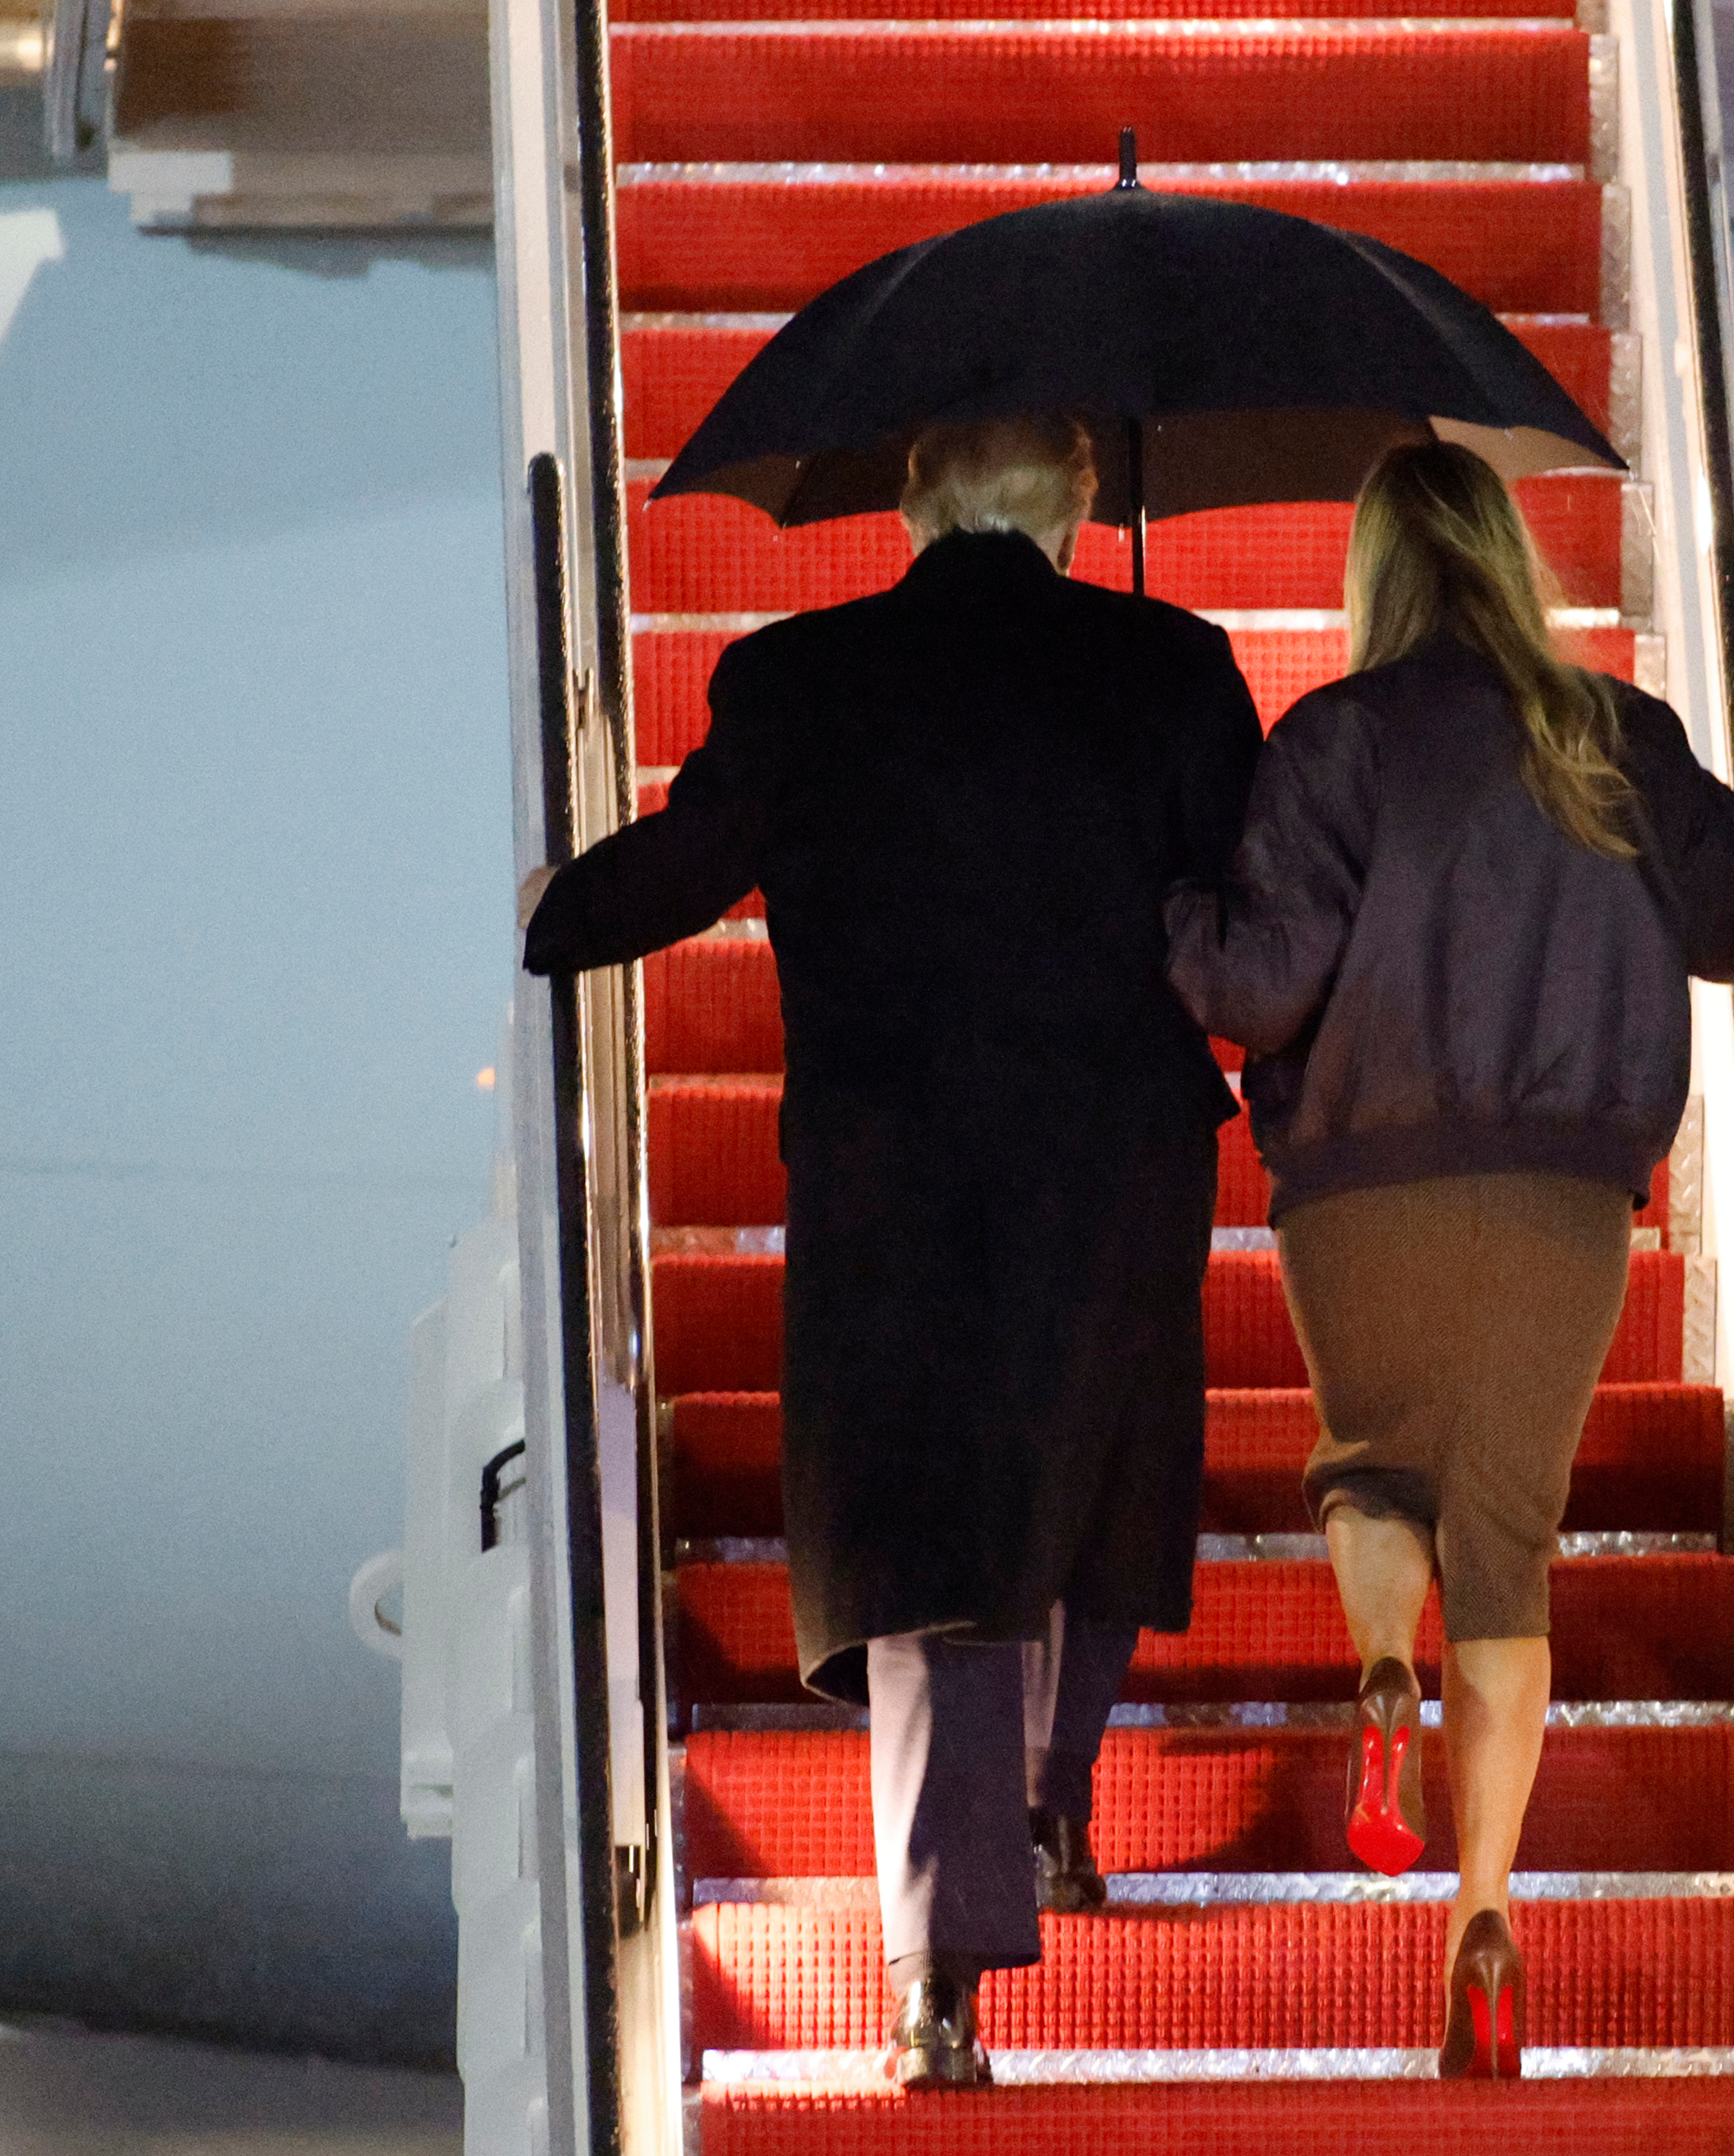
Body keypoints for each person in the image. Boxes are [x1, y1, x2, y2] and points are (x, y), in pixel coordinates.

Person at [521, 413, 1262, 2091]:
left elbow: (683, 871)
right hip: (1119, 1150)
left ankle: (940, 1978)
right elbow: (1256, 899)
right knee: (1093, 1470)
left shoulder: (798, 674)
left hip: (898, 1170)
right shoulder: (1174, 661)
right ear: (1077, 507)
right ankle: (1058, 1807)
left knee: (936, 1556)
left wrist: (553, 909)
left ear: (916, 505)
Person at [1164, 441, 1734, 2078]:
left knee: (1370, 1470)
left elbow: (1256, 988)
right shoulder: (1610, 732)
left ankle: (1374, 1672)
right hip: (1563, 1188)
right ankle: (1482, 1912)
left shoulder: (1335, 741)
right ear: (1506, 556)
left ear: (1374, 576)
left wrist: (1165, 909)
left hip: (1360, 1181)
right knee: (1511, 1545)